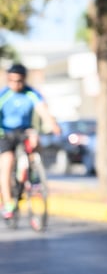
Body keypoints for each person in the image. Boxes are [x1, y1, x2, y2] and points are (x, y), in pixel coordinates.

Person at [0, 63, 61, 219]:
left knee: (35, 140)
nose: (16, 84)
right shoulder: (4, 95)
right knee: (6, 164)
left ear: (24, 79)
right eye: (12, 81)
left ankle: (33, 172)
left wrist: (53, 125)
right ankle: (8, 203)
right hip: (5, 133)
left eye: (19, 81)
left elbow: (43, 110)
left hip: (24, 130)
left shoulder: (31, 93)